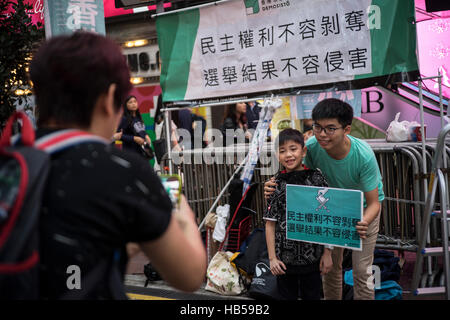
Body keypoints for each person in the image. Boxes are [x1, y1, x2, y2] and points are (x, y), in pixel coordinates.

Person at [30, 31, 206, 299]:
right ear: (109, 97)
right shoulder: (122, 170)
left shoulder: (14, 159)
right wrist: (181, 212)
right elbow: (189, 274)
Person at [264, 98, 384, 300]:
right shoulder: (311, 147)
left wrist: (364, 221)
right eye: (317, 127)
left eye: (330, 129)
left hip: (362, 212)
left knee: (362, 272)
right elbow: (296, 172)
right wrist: (273, 183)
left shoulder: (363, 156)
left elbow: (374, 202)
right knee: (329, 269)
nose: (322, 134)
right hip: (328, 212)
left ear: (346, 129)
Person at [264, 128, 333, 300]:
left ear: (303, 151)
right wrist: (272, 258)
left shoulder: (316, 178)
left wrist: (328, 253)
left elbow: (327, 217)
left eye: (293, 149)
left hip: (313, 257)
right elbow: (270, 223)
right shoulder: (275, 183)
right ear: (277, 155)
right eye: (282, 151)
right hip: (284, 261)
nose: (288, 154)